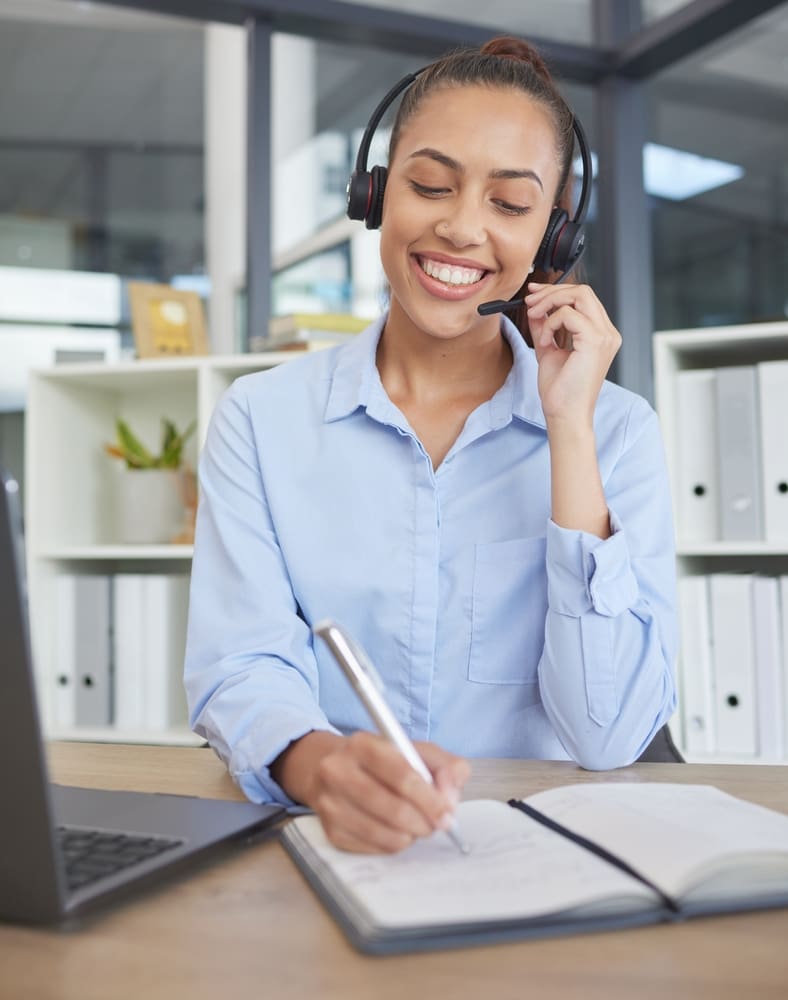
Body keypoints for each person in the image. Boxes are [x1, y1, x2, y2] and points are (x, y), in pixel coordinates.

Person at [184, 36, 678, 855]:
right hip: (326, 844)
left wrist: (568, 431)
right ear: (374, 193)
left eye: (511, 206)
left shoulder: (616, 432)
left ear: (554, 239)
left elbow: (609, 733)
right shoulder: (261, 419)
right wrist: (321, 765)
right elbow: (240, 665)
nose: (460, 227)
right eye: (429, 185)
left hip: (541, 862)